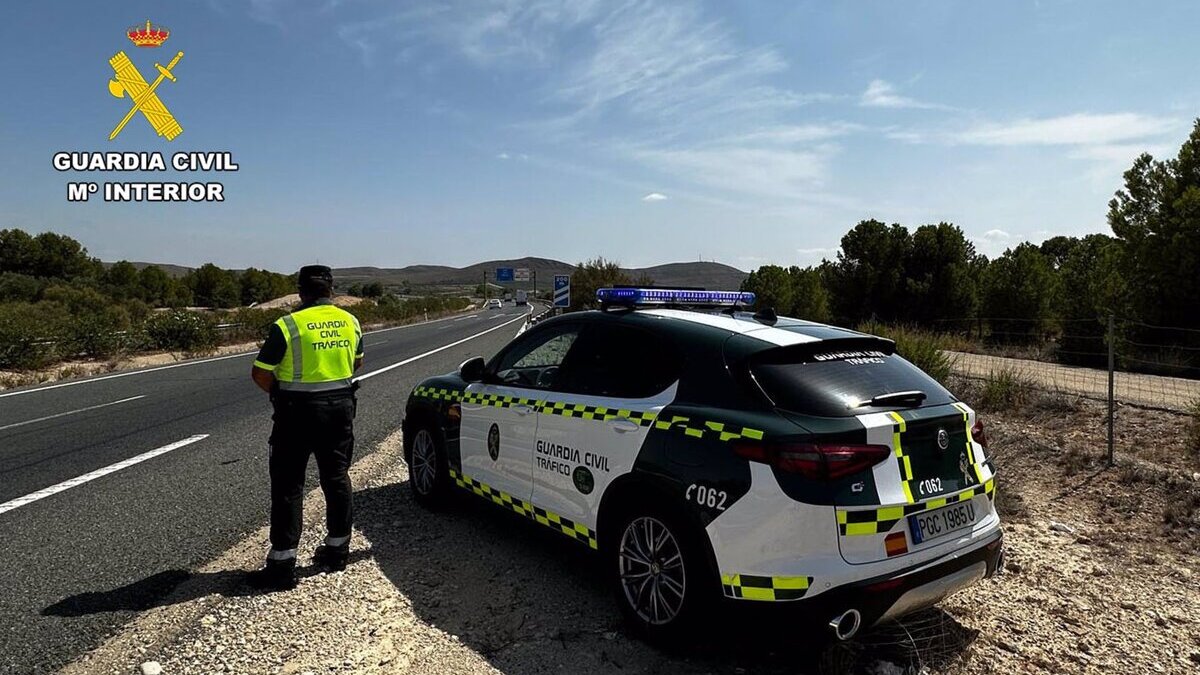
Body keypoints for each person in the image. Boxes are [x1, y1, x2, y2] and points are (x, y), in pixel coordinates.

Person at [247, 265, 364, 591]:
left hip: (296, 412)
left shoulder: (287, 325)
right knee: (336, 478)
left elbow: (260, 372)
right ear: (331, 289)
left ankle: (283, 566)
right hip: (340, 409)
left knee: (288, 486)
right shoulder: (350, 321)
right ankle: (338, 550)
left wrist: (281, 392)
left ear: (300, 291)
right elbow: (357, 363)